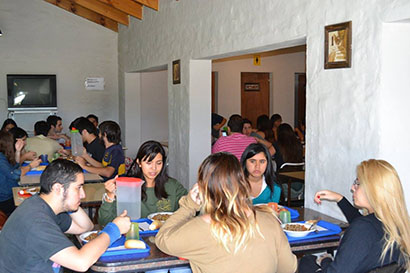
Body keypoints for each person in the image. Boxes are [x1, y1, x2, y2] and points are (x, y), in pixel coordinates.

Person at [155, 152, 297, 273]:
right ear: (242, 183)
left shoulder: (199, 229)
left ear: (203, 188)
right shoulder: (270, 221)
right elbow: (289, 268)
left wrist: (189, 206)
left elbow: (162, 239)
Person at [0, 159, 131, 273]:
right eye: (78, 188)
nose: (83, 194)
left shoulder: (43, 205)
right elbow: (81, 263)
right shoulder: (36, 220)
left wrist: (72, 202)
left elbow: (85, 227)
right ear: (58, 188)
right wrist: (114, 229)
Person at [299, 159, 410, 273]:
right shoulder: (398, 224)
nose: (352, 188)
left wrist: (326, 260)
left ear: (373, 190)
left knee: (307, 261)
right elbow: (365, 225)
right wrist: (340, 199)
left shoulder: (363, 229)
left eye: (357, 183)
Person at [98, 140, 187, 224]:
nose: (154, 168)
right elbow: (104, 222)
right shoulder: (127, 187)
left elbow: (191, 209)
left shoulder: (173, 186)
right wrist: (109, 195)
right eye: (149, 163)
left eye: (159, 163)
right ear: (139, 162)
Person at [0, 131, 41, 216]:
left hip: (11, 193)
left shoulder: (3, 156)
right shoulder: (0, 159)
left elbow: (15, 166)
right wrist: (30, 166)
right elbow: (14, 175)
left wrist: (18, 151)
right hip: (5, 199)